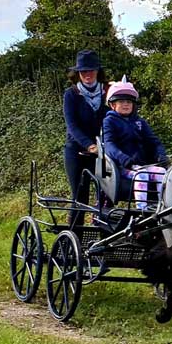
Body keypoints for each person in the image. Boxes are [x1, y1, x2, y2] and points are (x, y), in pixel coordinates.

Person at [103, 77, 167, 210]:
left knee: (161, 172)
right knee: (141, 175)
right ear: (112, 105)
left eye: (128, 102)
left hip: (141, 165)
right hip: (123, 167)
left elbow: (154, 141)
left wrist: (161, 155)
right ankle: (142, 210)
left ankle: (162, 207)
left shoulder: (140, 122)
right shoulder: (109, 121)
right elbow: (109, 145)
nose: (126, 104)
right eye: (121, 102)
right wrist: (124, 159)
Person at [63, 49, 107, 224]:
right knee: (80, 197)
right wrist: (89, 145)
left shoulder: (108, 92)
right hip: (76, 152)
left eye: (91, 70)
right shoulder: (71, 94)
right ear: (78, 73)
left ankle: (103, 238)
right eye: (83, 71)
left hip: (103, 152)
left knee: (106, 195)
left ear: (97, 71)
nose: (87, 74)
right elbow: (72, 126)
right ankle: (73, 240)